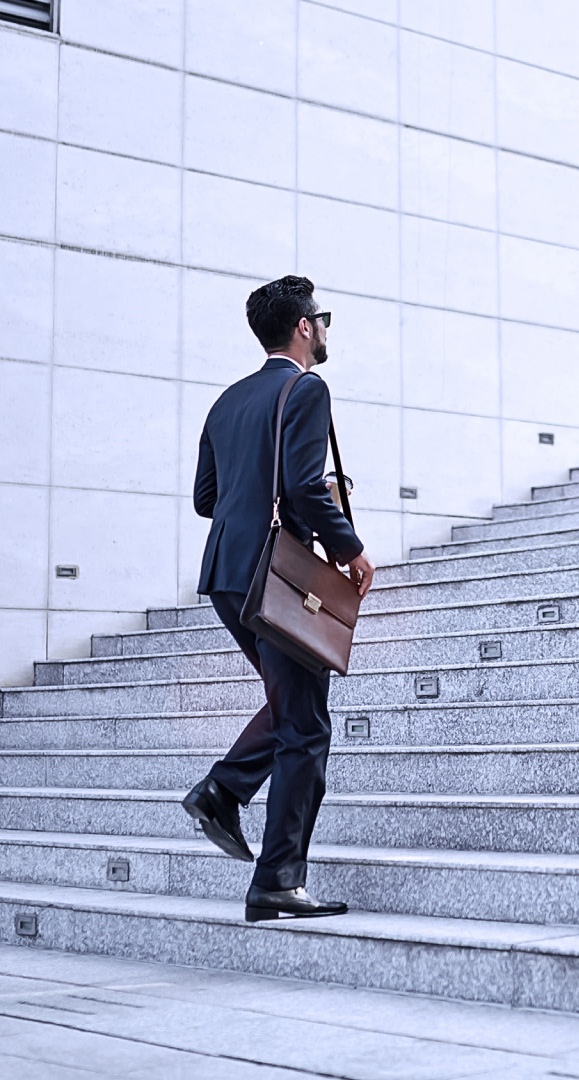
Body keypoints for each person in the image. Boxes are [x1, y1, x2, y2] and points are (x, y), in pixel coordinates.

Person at [180, 275, 375, 921]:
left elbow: (207, 500)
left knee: (291, 704)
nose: (324, 330)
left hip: (227, 575)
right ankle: (276, 880)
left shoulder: (228, 400)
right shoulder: (307, 387)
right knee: (306, 728)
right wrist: (348, 548)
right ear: (302, 328)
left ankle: (224, 791)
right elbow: (301, 487)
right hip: (276, 573)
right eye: (322, 319)